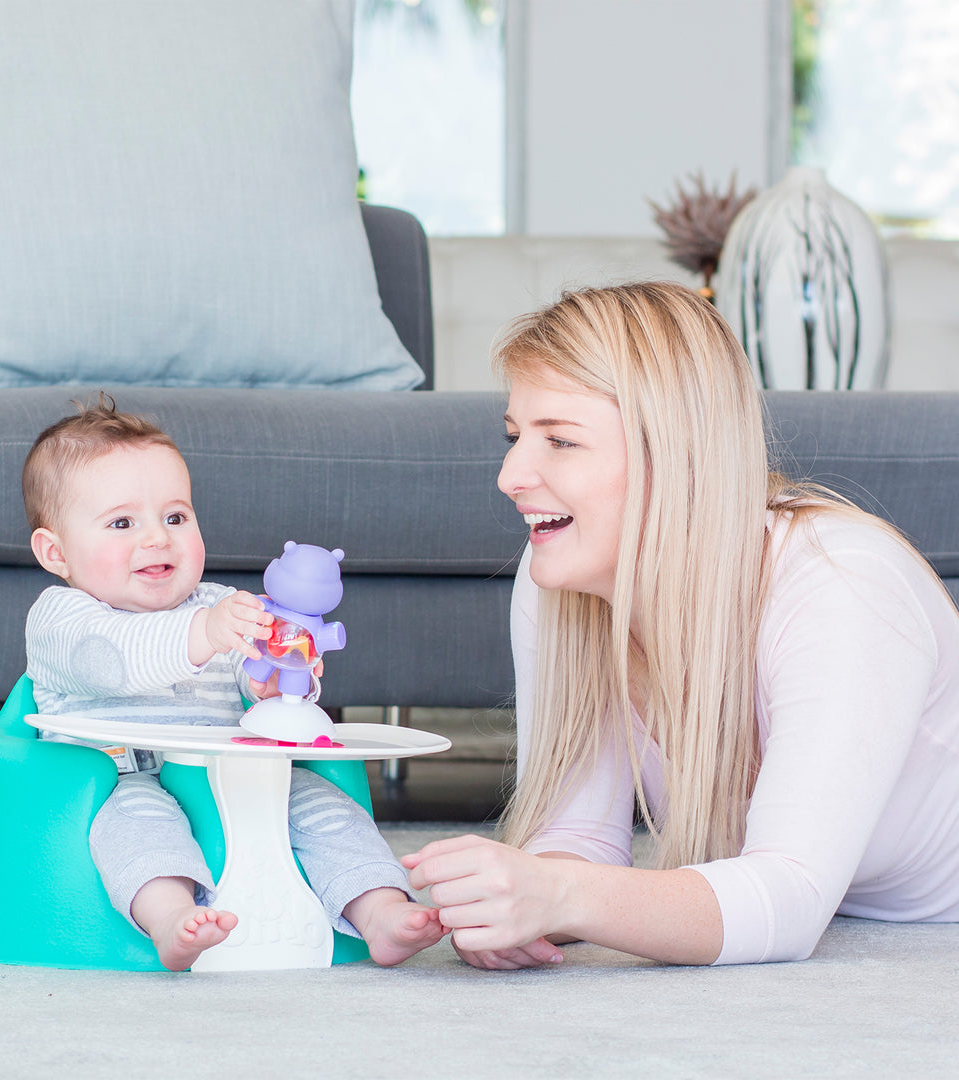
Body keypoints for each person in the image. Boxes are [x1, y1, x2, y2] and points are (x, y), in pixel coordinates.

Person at [403, 282, 959, 969]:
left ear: (677, 458)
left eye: (561, 441)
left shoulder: (844, 584)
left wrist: (561, 894)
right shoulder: (561, 574)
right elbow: (578, 839)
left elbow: (788, 901)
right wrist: (521, 903)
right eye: (515, 437)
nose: (510, 475)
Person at [22, 397, 446, 971]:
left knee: (325, 807)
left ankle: (379, 910)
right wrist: (205, 632)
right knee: (138, 826)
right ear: (55, 552)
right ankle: (171, 918)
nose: (157, 538)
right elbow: (113, 660)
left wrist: (279, 687)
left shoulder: (221, 605)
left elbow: (255, 690)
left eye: (176, 517)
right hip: (120, 778)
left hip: (238, 776)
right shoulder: (62, 618)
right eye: (123, 523)